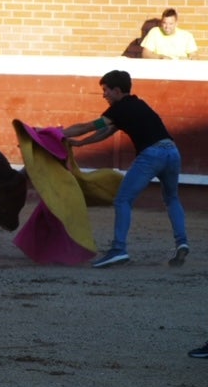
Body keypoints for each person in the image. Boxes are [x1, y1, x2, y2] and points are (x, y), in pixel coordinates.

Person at [62, 70, 189, 268]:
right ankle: (182, 242)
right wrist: (79, 144)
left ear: (117, 91)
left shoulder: (118, 110)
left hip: (152, 155)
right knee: (172, 198)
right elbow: (106, 131)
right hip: (172, 152)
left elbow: (89, 126)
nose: (104, 95)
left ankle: (118, 250)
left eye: (106, 91)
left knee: (122, 200)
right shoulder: (139, 104)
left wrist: (57, 133)